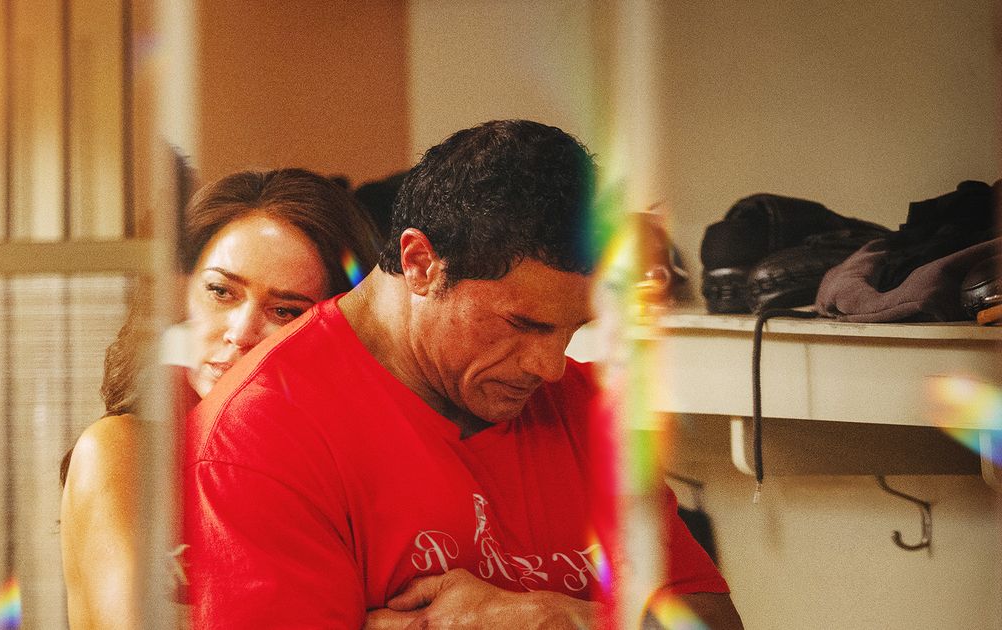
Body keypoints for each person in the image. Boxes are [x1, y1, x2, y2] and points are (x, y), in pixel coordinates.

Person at [182, 120, 743, 629]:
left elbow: (714, 622)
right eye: (523, 324)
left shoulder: (584, 408)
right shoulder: (257, 434)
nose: (550, 367)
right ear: (420, 263)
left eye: (572, 330)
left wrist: (560, 619)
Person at [59, 168, 380, 629]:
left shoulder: (338, 467)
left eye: (284, 310)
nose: (241, 332)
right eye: (221, 292)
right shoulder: (121, 451)